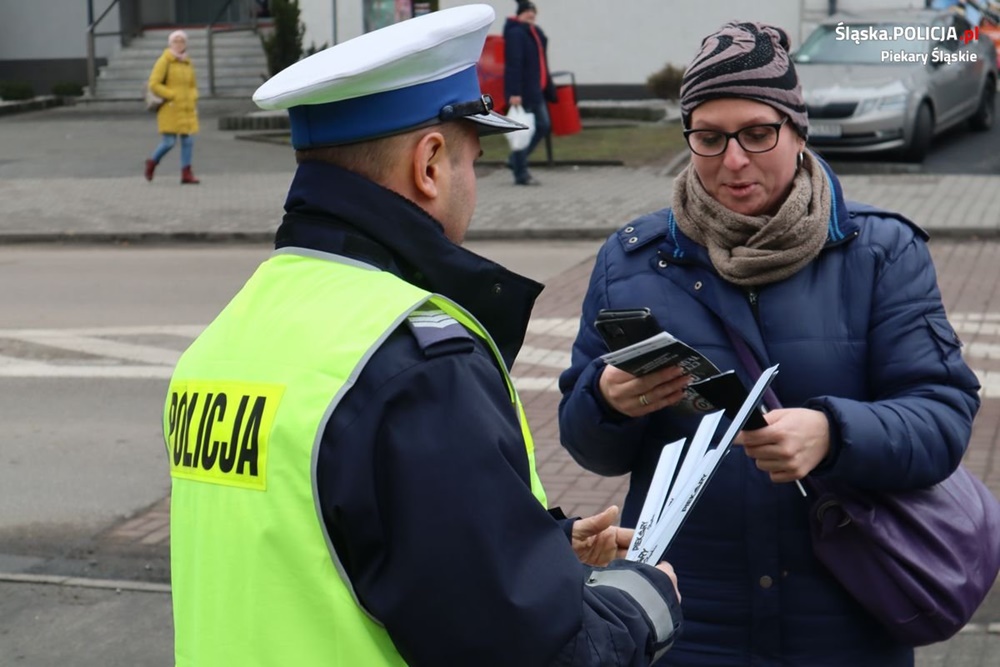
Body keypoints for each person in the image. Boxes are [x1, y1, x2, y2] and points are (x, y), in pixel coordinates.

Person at [162, 6, 682, 666]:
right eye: (474, 160)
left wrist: (530, 546)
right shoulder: (415, 364)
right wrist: (641, 603)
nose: (475, 185)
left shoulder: (226, 338)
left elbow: (310, 545)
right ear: (430, 163)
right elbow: (537, 654)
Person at [558, 21, 980, 667]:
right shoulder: (633, 260)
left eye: (758, 133)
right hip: (686, 615)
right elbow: (589, 447)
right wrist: (608, 402)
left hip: (844, 614)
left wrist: (834, 434)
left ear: (798, 130)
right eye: (709, 137)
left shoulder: (880, 251)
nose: (733, 159)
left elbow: (943, 419)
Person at [504, 0, 557, 186]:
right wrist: (514, 92)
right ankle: (521, 173)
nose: (531, 15)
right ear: (519, 13)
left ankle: (515, 160)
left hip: (536, 89)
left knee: (543, 125)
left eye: (533, 12)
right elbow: (514, 64)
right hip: (524, 91)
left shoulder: (532, 32)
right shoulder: (516, 33)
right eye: (527, 11)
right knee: (524, 131)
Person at [144, 30, 200, 184]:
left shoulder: (187, 62)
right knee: (169, 142)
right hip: (170, 108)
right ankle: (152, 162)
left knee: (188, 141)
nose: (179, 44)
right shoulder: (165, 61)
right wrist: (171, 94)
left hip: (187, 108)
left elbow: (192, 85)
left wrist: (194, 96)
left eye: (182, 41)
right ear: (170, 44)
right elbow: (154, 83)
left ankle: (186, 173)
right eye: (176, 41)